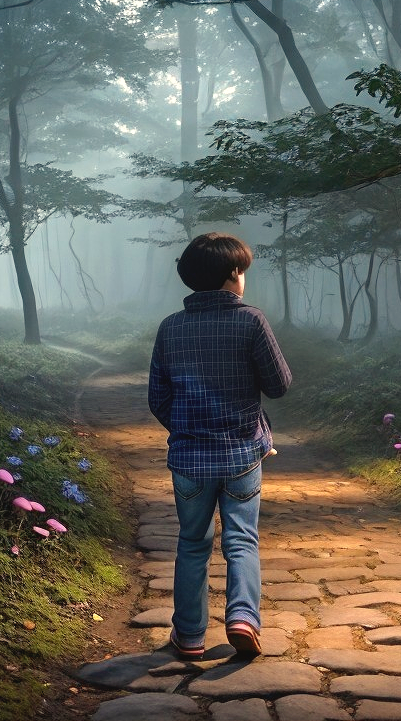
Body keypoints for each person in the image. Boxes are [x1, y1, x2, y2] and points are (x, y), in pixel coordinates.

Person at [148, 232, 291, 660]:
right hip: (242, 454)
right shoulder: (251, 321)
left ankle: (189, 636)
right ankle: (243, 618)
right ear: (233, 276)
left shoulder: (171, 327)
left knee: (193, 542)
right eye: (242, 271)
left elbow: (158, 398)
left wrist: (189, 429)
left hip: (190, 459)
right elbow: (279, 385)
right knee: (241, 540)